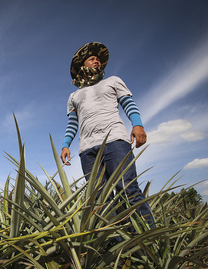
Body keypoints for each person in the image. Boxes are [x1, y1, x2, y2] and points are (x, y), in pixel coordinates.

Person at [60, 42, 155, 228]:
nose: (96, 61)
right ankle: (114, 247)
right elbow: (73, 123)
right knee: (99, 199)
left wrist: (138, 125)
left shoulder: (112, 81)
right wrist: (65, 145)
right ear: (82, 64)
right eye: (91, 58)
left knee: (127, 188)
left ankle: (149, 242)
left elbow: (129, 104)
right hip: (87, 149)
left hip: (115, 140)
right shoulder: (73, 96)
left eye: (98, 59)